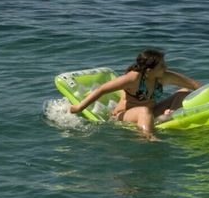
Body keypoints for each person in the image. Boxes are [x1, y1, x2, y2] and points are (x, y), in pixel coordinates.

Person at [69, 48, 201, 139]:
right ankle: (148, 137)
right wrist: (79, 107)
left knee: (184, 93)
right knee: (143, 110)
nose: (165, 68)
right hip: (123, 116)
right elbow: (101, 90)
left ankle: (169, 115)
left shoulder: (163, 77)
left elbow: (193, 85)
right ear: (149, 71)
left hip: (151, 112)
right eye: (161, 66)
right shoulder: (133, 79)